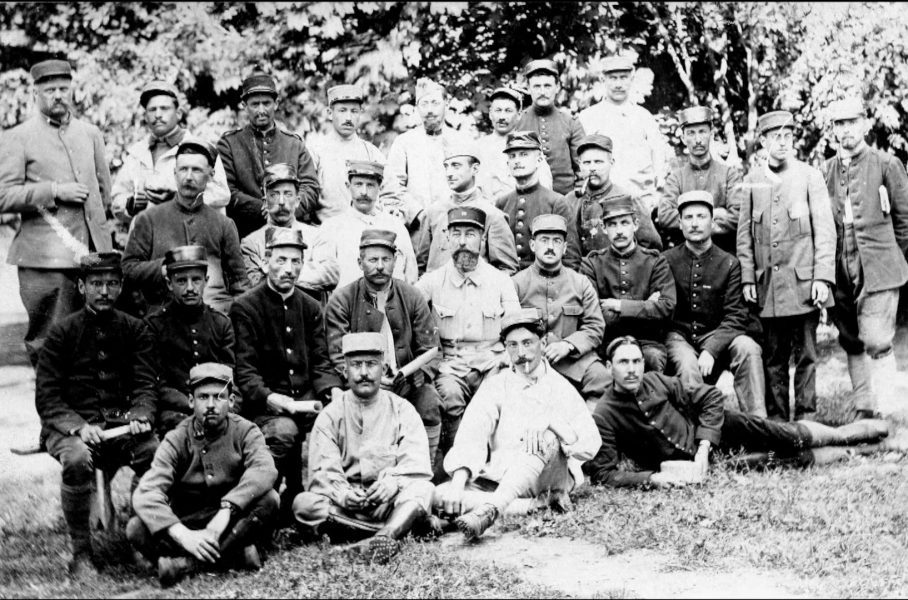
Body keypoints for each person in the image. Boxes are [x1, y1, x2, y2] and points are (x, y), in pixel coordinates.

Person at [584, 336, 890, 487]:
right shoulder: (605, 414)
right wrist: (652, 479)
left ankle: (853, 433)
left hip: (720, 430)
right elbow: (604, 473)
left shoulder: (655, 380)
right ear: (609, 368)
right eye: (624, 363)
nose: (632, 369)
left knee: (785, 434)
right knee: (779, 459)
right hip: (699, 463)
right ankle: (865, 450)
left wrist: (704, 444)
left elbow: (710, 397)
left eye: (637, 361)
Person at [35, 252, 158, 578]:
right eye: (96, 283)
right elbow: (48, 398)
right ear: (81, 285)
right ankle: (82, 553)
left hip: (120, 427)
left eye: (112, 284)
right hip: (70, 428)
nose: (104, 291)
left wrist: (140, 413)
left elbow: (146, 385)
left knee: (154, 453)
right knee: (76, 459)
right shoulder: (62, 333)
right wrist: (77, 427)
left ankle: (141, 540)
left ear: (120, 287)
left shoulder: (135, 330)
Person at [434, 308, 601, 541]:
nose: (521, 353)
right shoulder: (496, 386)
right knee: (439, 494)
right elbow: (472, 437)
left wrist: (552, 425)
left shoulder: (561, 388)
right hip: (500, 480)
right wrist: (457, 484)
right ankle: (531, 506)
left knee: (546, 437)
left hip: (548, 479)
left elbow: (590, 443)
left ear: (543, 342)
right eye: (512, 345)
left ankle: (492, 509)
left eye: (528, 343)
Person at [0, 59, 112, 366]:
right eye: (50, 90)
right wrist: (53, 191)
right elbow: (3, 196)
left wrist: (106, 246)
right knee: (49, 341)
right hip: (44, 260)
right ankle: (53, 411)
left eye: (64, 88)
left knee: (95, 339)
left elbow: (104, 193)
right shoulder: (17, 137)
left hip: (93, 256)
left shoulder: (90, 133)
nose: (58, 95)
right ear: (36, 94)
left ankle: (88, 409)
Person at [128, 363, 279, 587]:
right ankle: (236, 556)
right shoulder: (176, 438)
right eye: (202, 397)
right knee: (136, 528)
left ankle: (186, 566)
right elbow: (147, 492)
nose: (211, 405)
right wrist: (183, 535)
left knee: (270, 500)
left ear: (230, 401)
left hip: (230, 522)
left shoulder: (245, 431)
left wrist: (228, 508)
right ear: (191, 401)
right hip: (188, 521)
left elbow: (265, 469)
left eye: (218, 397)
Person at [293, 332, 435, 563]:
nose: (364, 373)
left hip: (389, 502)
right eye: (356, 365)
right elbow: (323, 473)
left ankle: (383, 536)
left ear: (383, 368)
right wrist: (344, 494)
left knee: (423, 490)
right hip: (348, 507)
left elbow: (415, 465)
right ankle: (402, 529)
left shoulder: (403, 409)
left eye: (371, 364)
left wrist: (393, 483)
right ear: (344, 370)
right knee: (304, 504)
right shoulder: (330, 416)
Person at [230, 228, 341, 517]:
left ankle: (326, 499)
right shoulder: (245, 307)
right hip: (265, 404)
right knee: (284, 431)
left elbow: (320, 362)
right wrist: (271, 398)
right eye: (281, 261)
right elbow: (246, 372)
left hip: (305, 398)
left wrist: (333, 392)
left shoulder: (311, 307)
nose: (288, 269)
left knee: (340, 420)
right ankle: (265, 499)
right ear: (266, 262)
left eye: (295, 261)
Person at [737, 110, 836, 421]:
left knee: (806, 354)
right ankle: (778, 418)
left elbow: (825, 231)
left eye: (788, 136)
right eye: (775, 137)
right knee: (774, 357)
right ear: (763, 141)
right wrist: (748, 278)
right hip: (768, 288)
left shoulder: (810, 176)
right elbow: (744, 237)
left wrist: (822, 277)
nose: (782, 143)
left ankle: (807, 416)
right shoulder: (752, 180)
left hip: (803, 283)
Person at [415, 206, 521, 471]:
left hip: (492, 362)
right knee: (450, 398)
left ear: (483, 238)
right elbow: (409, 315)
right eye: (456, 234)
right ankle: (458, 466)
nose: (463, 241)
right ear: (447, 238)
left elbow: (516, 327)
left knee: (500, 399)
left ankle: (498, 466)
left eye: (470, 234)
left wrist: (507, 359)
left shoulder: (500, 281)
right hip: (450, 363)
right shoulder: (431, 282)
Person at [325, 229, 442, 467]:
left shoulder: (412, 296)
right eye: (373, 260)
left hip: (406, 384)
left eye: (386, 259)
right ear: (360, 263)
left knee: (430, 402)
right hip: (361, 383)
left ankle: (424, 468)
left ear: (395, 261)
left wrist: (412, 375)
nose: (380, 266)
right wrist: (367, 379)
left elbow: (430, 348)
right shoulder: (343, 299)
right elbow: (338, 354)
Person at [822, 97, 908, 419]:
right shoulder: (826, 170)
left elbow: (905, 220)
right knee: (850, 338)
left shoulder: (886, 163)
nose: (846, 130)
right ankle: (865, 408)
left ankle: (889, 409)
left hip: (878, 263)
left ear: (865, 124)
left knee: (877, 338)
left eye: (851, 122)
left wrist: (892, 256)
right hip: (839, 266)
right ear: (833, 130)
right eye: (839, 124)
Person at [122, 137, 250, 316]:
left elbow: (240, 283)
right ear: (174, 173)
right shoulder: (148, 219)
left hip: (216, 316)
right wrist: (163, 268)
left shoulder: (223, 224)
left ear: (211, 175)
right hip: (164, 317)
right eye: (183, 169)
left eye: (197, 170)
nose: (188, 177)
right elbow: (128, 270)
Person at [665, 191, 766, 416]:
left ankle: (759, 426)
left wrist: (711, 349)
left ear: (713, 222)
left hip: (717, 335)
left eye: (701, 216)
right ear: (679, 224)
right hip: (679, 337)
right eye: (688, 218)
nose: (694, 224)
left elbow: (736, 316)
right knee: (687, 363)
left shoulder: (729, 263)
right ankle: (696, 433)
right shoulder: (666, 260)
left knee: (747, 348)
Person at [512, 214, 609, 404]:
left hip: (572, 361)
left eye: (557, 241)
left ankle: (587, 429)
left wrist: (568, 345)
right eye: (544, 240)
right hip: (529, 359)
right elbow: (506, 328)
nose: (550, 247)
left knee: (602, 380)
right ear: (533, 245)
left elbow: (595, 327)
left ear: (564, 248)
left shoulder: (580, 283)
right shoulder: (516, 284)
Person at [111, 80, 230, 225]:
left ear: (178, 113)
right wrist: (130, 204)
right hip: (147, 237)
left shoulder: (202, 149)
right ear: (145, 116)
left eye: (164, 108)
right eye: (152, 110)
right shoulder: (137, 153)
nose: (158, 115)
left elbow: (222, 194)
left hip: (190, 235)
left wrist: (179, 198)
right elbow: (117, 198)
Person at [216, 72, 320, 238]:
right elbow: (227, 190)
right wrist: (262, 207)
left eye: (266, 103)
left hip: (290, 232)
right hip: (244, 233)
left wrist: (287, 209)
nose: (261, 110)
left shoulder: (294, 144)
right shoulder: (229, 144)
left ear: (276, 103)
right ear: (244, 105)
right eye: (254, 104)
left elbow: (311, 187)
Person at [145, 245, 235, 433]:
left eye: (196, 280)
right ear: (169, 284)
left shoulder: (221, 324)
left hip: (216, 406)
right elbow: (154, 381)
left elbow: (230, 374)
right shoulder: (155, 325)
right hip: (173, 410)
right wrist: (191, 405)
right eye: (181, 281)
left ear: (206, 281)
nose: (190, 288)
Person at [579, 195, 675, 372]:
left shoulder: (655, 262)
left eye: (624, 223)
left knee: (652, 360)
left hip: (647, 342)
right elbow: (592, 313)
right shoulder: (592, 263)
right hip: (606, 343)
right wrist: (646, 306)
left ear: (636, 224)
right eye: (612, 225)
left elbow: (666, 308)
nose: (619, 230)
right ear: (604, 228)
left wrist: (618, 306)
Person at [382, 77, 473, 234]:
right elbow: (393, 185)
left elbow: (471, 183)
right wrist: (418, 213)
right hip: (416, 227)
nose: (430, 110)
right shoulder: (404, 142)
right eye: (424, 104)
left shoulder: (462, 141)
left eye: (435, 103)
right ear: (417, 107)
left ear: (446, 103)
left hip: (455, 226)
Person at [578, 55, 668, 211]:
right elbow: (579, 162)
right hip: (600, 203)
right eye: (613, 78)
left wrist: (657, 196)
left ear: (631, 79)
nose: (618, 84)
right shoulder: (588, 117)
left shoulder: (644, 117)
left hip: (641, 202)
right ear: (603, 79)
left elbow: (659, 160)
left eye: (623, 77)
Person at [415, 142, 518, 275]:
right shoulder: (433, 213)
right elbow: (421, 268)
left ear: (475, 169)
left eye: (456, 166)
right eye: (446, 167)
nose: (449, 173)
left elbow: (507, 270)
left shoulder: (492, 215)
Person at [311, 160, 417, 288]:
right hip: (347, 306)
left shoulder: (396, 226)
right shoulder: (332, 227)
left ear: (380, 187)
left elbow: (411, 277)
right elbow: (322, 279)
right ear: (348, 186)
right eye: (358, 184)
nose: (364, 192)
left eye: (370, 185)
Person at [240, 163, 339, 296]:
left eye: (287, 194)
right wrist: (308, 269)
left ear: (298, 200)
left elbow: (330, 275)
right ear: (265, 202)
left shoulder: (317, 236)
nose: (281, 201)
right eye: (274, 195)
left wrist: (273, 271)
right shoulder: (251, 243)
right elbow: (255, 286)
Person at [657, 106, 742, 252]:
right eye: (691, 133)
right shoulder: (676, 178)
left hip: (723, 254)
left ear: (711, 134)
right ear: (683, 138)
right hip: (686, 256)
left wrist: (689, 221)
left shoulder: (729, 175)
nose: (697, 140)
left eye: (702, 132)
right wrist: (717, 214)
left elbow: (739, 216)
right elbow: (664, 216)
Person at [495, 131, 581, 270]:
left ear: (539, 159)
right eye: (512, 156)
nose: (517, 160)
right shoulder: (501, 203)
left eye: (524, 154)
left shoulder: (557, 202)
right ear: (507, 163)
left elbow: (571, 258)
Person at [566, 134, 662, 256]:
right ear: (580, 165)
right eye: (587, 163)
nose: (592, 168)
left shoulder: (627, 198)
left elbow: (650, 245)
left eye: (598, 162)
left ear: (611, 163)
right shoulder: (569, 200)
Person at [307, 84, 385, 223]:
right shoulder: (316, 151)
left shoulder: (372, 153)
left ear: (360, 113)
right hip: (326, 230)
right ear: (330, 113)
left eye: (354, 111)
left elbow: (387, 192)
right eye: (342, 110)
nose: (348, 118)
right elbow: (306, 193)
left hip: (365, 231)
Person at [514, 59, 585, 195]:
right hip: (527, 199)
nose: (542, 91)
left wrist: (575, 198)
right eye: (536, 86)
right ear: (528, 88)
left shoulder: (571, 123)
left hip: (564, 200)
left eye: (547, 86)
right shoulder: (518, 122)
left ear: (557, 87)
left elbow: (582, 167)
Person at [476, 87, 553, 199]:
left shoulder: (530, 146)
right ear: (490, 114)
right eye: (498, 110)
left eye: (508, 111)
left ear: (519, 115)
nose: (502, 117)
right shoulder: (478, 147)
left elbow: (545, 188)